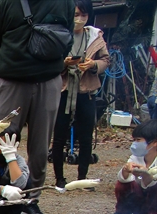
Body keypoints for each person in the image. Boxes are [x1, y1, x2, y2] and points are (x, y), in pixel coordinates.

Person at [0, 0, 75, 214]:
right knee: (3, 141)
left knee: (40, 146)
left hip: (48, 81)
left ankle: (30, 200)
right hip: (12, 80)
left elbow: (67, 39)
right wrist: (9, 68)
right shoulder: (5, 4)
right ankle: (3, 197)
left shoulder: (64, 3)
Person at [51, 0, 109, 189]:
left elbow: (105, 60)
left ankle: (83, 177)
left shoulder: (94, 35)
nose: (80, 19)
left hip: (87, 91)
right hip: (64, 90)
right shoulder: (59, 34)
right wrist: (64, 64)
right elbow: (49, 61)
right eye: (76, 15)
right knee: (59, 136)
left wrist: (93, 65)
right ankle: (59, 178)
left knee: (86, 136)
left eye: (83, 15)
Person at [105, 119, 157, 214]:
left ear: (154, 142)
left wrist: (145, 175)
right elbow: (123, 180)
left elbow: (152, 184)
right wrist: (125, 171)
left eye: (138, 140)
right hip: (140, 207)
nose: (135, 144)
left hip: (154, 204)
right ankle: (123, 212)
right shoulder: (136, 157)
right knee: (123, 183)